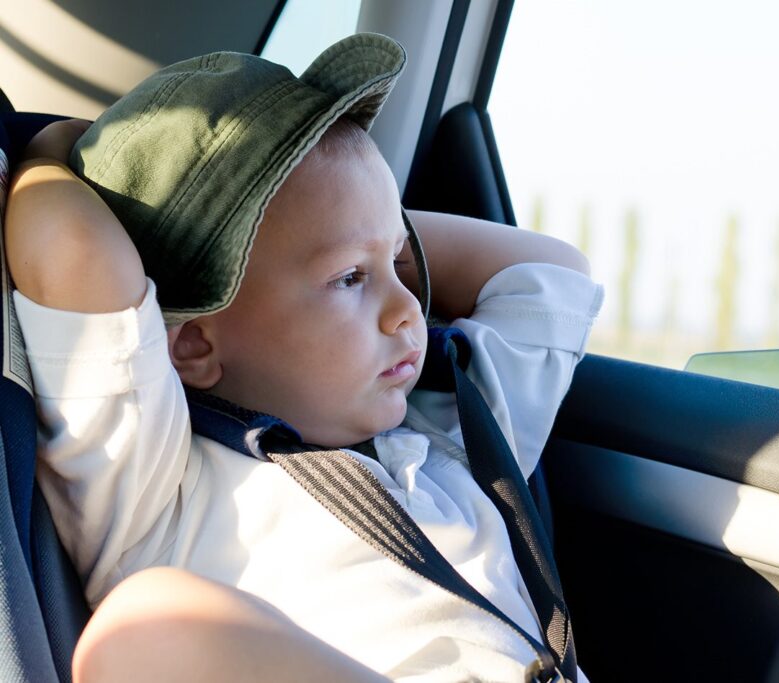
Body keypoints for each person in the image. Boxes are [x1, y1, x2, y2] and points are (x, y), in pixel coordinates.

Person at [3, 34, 602, 683]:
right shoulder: (164, 489)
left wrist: (355, 218)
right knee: (142, 624)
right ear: (194, 344)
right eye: (350, 277)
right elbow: (76, 254)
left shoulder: (447, 437)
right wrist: (45, 147)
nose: (409, 309)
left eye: (398, 263)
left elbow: (551, 271)